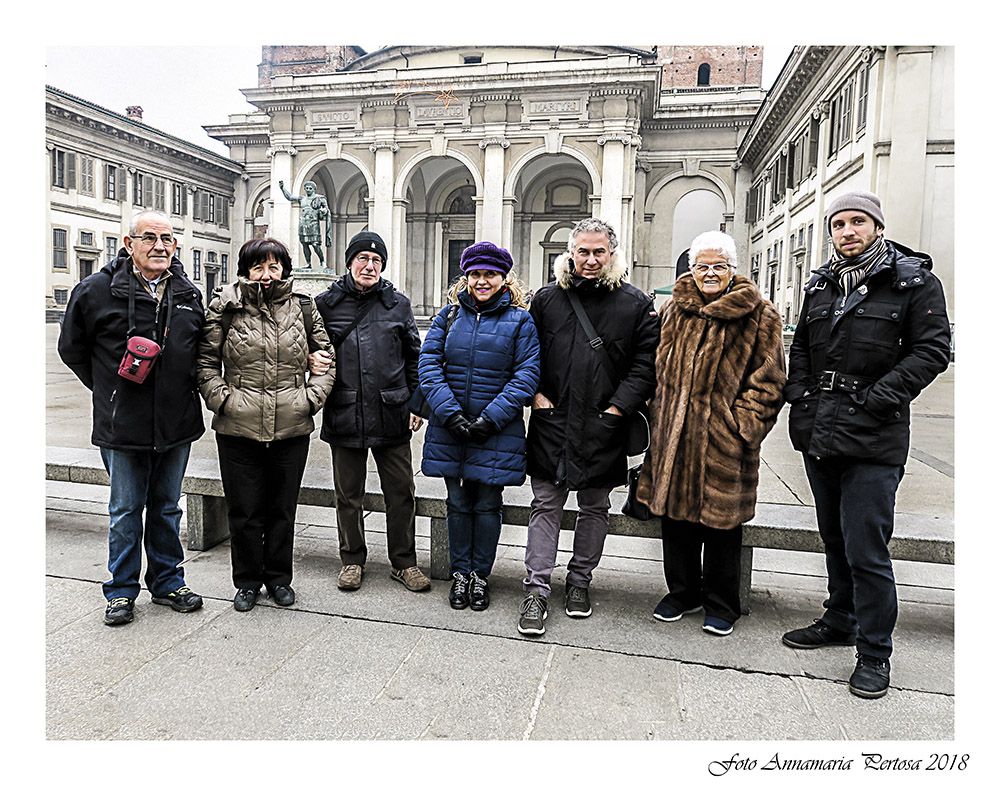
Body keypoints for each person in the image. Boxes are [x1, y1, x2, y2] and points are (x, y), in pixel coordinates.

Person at [781, 190, 951, 699]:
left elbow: (933, 350)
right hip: (822, 431)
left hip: (875, 437)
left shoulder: (913, 282)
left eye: (858, 222)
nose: (847, 231)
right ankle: (841, 620)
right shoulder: (820, 286)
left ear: (877, 226)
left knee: (867, 550)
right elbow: (802, 349)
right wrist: (800, 394)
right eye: (838, 224)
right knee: (834, 537)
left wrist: (880, 397)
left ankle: (875, 653)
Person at [58, 209, 206, 625]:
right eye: (150, 238)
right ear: (130, 244)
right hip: (122, 425)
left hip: (177, 422)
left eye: (167, 238)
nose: (160, 246)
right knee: (125, 510)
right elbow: (72, 350)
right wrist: (109, 391)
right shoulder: (95, 291)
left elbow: (199, 352)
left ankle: (167, 582)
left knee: (166, 508)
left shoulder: (187, 293)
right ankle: (121, 592)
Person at [636, 231, 786, 637]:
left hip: (724, 440)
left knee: (721, 525)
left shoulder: (761, 315)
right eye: (702, 266)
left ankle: (722, 601)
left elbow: (769, 381)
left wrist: (741, 427)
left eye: (719, 266)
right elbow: (652, 367)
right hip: (673, 435)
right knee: (675, 519)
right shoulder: (672, 311)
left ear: (733, 270)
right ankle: (683, 591)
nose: (710, 273)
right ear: (691, 269)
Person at [518, 218, 658, 635]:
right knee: (545, 505)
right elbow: (527, 353)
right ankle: (536, 590)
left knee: (595, 507)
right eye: (583, 251)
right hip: (553, 420)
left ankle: (579, 581)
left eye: (599, 252)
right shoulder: (546, 299)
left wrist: (618, 409)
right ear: (570, 253)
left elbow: (645, 365)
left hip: (603, 424)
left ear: (612, 254)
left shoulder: (635, 303)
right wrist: (536, 395)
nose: (591, 259)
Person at [196, 238, 336, 612]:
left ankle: (278, 578)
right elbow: (205, 363)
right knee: (243, 510)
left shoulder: (304, 307)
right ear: (246, 271)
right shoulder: (225, 306)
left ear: (284, 270)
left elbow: (327, 358)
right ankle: (246, 582)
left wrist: (309, 398)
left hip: (291, 425)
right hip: (237, 426)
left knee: (282, 508)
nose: (267, 275)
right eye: (258, 267)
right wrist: (223, 399)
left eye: (274, 267)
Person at [418, 242, 540, 611]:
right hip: (450, 427)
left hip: (496, 431)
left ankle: (479, 576)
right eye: (476, 274)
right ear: (466, 277)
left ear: (504, 279)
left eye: (490, 274)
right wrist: (450, 413)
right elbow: (429, 365)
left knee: (487, 504)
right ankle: (459, 574)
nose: (482, 281)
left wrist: (491, 419)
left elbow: (526, 374)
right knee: (456, 503)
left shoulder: (520, 321)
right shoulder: (449, 316)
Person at [315, 231, 431, 592]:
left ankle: (404, 563)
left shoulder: (398, 304)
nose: (370, 266)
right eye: (363, 258)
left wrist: (417, 402)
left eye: (376, 260)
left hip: (391, 410)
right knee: (347, 494)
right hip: (344, 410)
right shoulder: (325, 304)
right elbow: (308, 349)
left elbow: (416, 356)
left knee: (401, 491)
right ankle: (351, 560)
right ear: (349, 262)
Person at [278, 179, 331, 268]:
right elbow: (290, 198)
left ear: (314, 189)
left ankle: (322, 261)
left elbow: (326, 209)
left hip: (313, 223)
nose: (308, 190)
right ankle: (308, 263)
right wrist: (282, 188)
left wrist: (323, 211)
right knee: (304, 244)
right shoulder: (302, 199)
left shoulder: (319, 198)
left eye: (310, 188)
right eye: (306, 188)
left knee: (315, 244)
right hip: (303, 223)